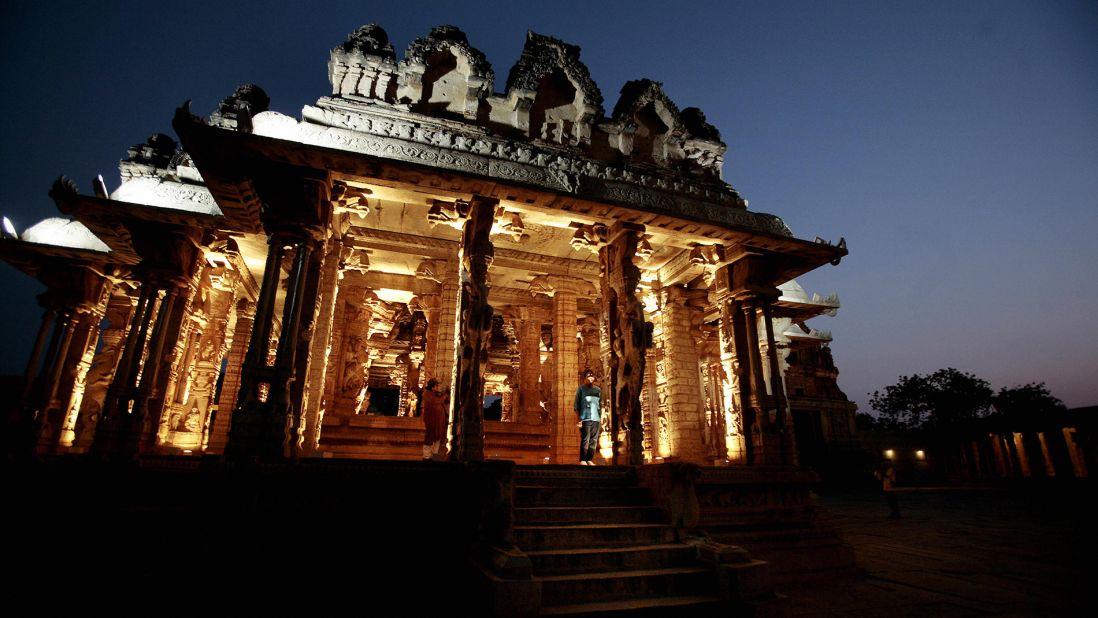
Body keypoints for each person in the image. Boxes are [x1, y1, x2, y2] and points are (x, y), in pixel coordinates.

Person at [574, 370, 602, 466]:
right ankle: (583, 459)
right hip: (585, 418)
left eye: (592, 377)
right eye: (588, 376)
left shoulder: (598, 390)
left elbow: (600, 404)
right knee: (585, 438)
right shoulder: (581, 389)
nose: (591, 378)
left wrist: (600, 416)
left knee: (594, 439)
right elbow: (577, 405)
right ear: (585, 378)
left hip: (596, 418)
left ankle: (589, 458)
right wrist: (578, 419)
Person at [420, 378, 449, 460]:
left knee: (438, 436)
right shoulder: (427, 394)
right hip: (432, 420)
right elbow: (437, 401)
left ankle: (435, 454)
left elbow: (444, 401)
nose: (437, 388)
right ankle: (427, 455)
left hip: (439, 420)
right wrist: (444, 395)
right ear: (432, 387)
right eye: (436, 386)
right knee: (430, 436)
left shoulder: (436, 394)